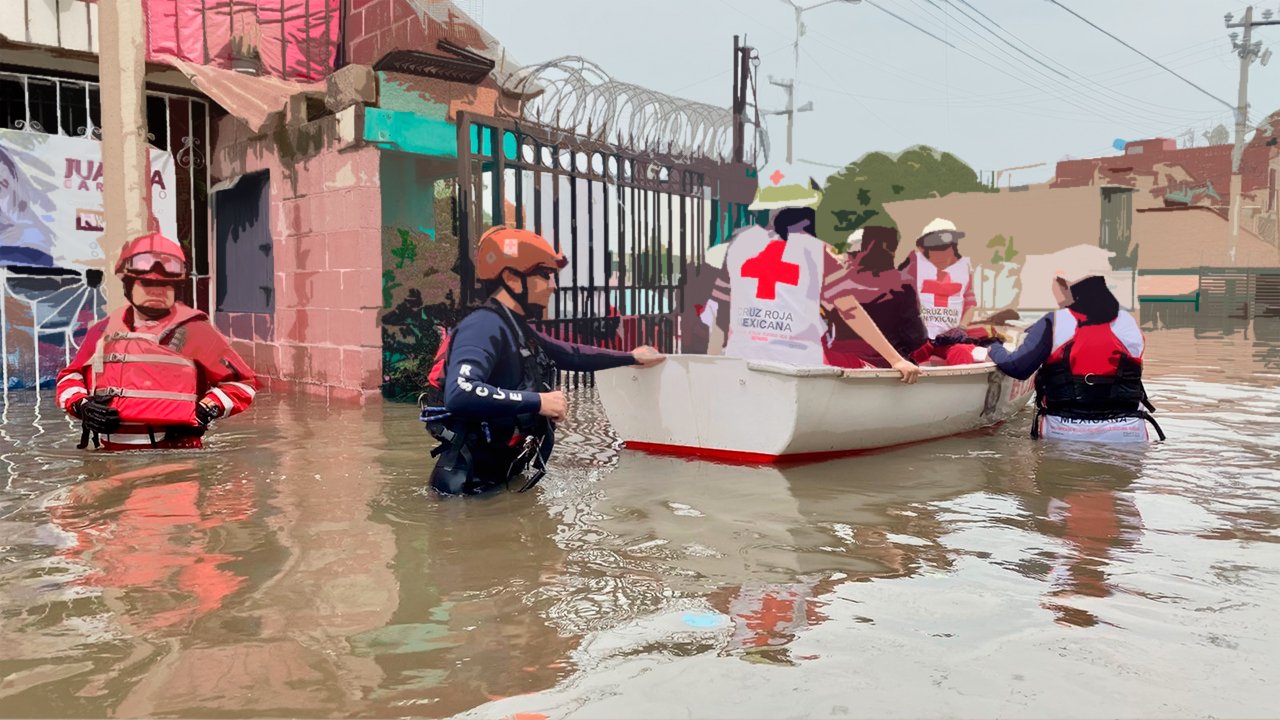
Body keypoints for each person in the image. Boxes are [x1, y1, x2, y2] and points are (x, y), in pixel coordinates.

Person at [429, 225, 664, 496]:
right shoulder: (484, 326)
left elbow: (569, 353)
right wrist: (540, 401)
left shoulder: (514, 327)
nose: (553, 286)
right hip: (463, 489)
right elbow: (460, 392)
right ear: (512, 278)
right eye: (544, 275)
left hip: (497, 478)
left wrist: (631, 357)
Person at [55, 231, 258, 449]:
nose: (156, 291)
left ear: (177, 288)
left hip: (178, 458)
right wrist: (82, 406)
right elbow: (70, 377)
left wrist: (206, 409)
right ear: (128, 285)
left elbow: (241, 384)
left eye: (165, 285)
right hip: (110, 458)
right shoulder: (101, 333)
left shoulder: (197, 333)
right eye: (146, 284)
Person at [703, 203, 920, 383]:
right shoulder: (816, 251)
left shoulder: (739, 247)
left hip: (743, 361)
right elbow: (850, 309)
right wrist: (896, 360)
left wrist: (712, 362)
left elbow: (720, 312)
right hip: (795, 366)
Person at [987, 265, 1165, 442]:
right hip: (1127, 433)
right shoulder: (1129, 323)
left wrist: (993, 347)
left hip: (1065, 433)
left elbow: (1018, 367)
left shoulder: (1052, 323)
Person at [822, 226, 934, 369]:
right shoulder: (902, 284)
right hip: (889, 366)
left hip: (842, 364)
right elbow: (916, 338)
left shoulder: (835, 284)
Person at [900, 218, 977, 340]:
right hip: (919, 338)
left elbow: (970, 302)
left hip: (949, 339)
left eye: (944, 253)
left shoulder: (964, 267)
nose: (940, 258)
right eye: (934, 254)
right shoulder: (914, 263)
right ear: (924, 249)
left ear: (954, 247)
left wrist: (961, 328)